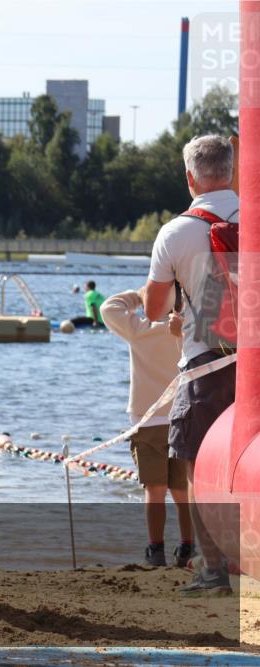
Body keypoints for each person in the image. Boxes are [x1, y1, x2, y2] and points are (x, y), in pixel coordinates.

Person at [144, 134, 238, 595]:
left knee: (197, 466)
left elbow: (153, 309)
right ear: (232, 171)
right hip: (255, 363)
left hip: (206, 363)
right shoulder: (256, 217)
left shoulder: (175, 232)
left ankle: (214, 571)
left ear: (189, 178)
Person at [101, 287, 194, 567]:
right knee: (182, 490)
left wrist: (139, 294)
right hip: (182, 416)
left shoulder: (139, 330)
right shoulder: (186, 330)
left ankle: (155, 549)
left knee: (154, 489)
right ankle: (187, 546)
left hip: (147, 420)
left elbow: (108, 308)